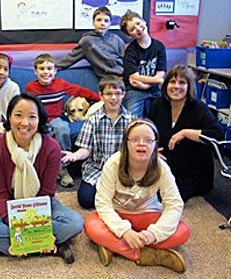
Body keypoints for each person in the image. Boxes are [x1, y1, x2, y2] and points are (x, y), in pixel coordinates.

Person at [0, 93, 84, 264]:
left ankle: (7, 245)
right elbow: (0, 194)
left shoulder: (51, 147)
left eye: (32, 117)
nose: (24, 123)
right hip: (10, 203)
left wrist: (37, 227)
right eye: (18, 115)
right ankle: (50, 245)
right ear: (9, 117)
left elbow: (47, 192)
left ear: (40, 120)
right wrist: (19, 226)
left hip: (42, 203)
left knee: (75, 223)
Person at [84, 119, 191, 273]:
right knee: (91, 226)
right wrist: (125, 232)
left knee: (182, 232)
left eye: (148, 140)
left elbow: (174, 204)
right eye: (135, 140)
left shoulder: (162, 168)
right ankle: (148, 254)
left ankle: (115, 247)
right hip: (118, 214)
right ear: (126, 143)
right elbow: (103, 204)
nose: (142, 144)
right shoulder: (113, 163)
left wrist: (153, 234)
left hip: (147, 215)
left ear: (155, 144)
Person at [148, 65, 224, 202]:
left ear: (189, 86)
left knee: (165, 196)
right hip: (166, 164)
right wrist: (152, 150)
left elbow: (218, 134)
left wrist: (186, 133)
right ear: (166, 85)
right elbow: (149, 130)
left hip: (192, 171)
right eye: (172, 81)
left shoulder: (198, 108)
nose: (176, 86)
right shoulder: (158, 104)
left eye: (182, 82)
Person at [26, 53, 101, 187]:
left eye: (49, 68)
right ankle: (40, 171)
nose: (46, 72)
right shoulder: (31, 88)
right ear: (35, 71)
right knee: (40, 136)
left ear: (55, 71)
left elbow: (79, 90)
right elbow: (27, 105)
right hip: (39, 120)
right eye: (42, 69)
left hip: (56, 118)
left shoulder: (60, 84)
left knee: (62, 129)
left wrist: (98, 98)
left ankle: (63, 167)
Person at [61, 75, 136, 209]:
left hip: (123, 170)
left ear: (123, 94)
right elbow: (86, 149)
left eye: (117, 94)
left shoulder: (132, 120)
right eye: (108, 94)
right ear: (101, 96)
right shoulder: (92, 120)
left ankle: (113, 193)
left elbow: (136, 147)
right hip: (97, 169)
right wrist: (75, 155)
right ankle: (110, 195)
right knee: (86, 200)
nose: (113, 98)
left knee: (133, 198)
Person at [120, 10, 167, 118]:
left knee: (163, 116)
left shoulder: (159, 46)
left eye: (138, 23)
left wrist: (146, 85)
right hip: (134, 90)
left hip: (154, 89)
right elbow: (134, 76)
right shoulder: (130, 51)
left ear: (144, 21)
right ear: (129, 36)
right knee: (132, 119)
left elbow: (161, 73)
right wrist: (158, 81)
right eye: (132, 29)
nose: (138, 29)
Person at [56, 6, 125, 79]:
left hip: (124, 76)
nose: (102, 23)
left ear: (110, 23)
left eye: (106, 21)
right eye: (99, 20)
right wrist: (53, 68)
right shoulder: (87, 41)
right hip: (108, 79)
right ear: (93, 22)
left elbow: (126, 59)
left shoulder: (116, 39)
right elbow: (70, 58)